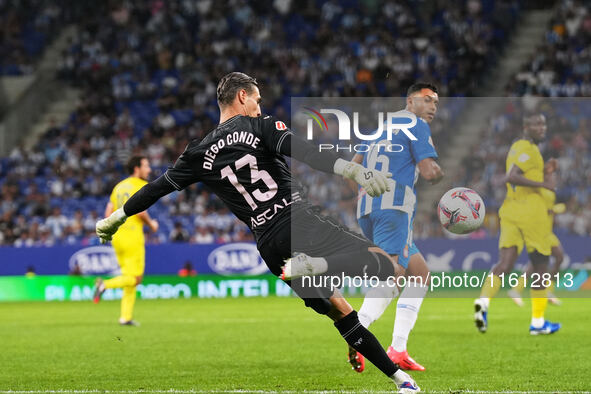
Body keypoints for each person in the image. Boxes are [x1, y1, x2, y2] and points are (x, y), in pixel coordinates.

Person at [96, 72, 420, 392]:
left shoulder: (197, 153)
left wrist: (116, 218)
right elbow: (306, 151)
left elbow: (155, 189)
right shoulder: (261, 126)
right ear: (242, 97)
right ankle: (318, 266)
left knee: (339, 310)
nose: (259, 107)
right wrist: (354, 169)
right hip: (298, 220)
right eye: (257, 99)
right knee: (387, 264)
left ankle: (401, 381)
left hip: (269, 244)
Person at [346, 83, 444, 373]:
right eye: (426, 100)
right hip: (395, 209)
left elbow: (351, 170)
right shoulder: (417, 126)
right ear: (410, 101)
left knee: (420, 274)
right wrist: (439, 175)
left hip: (368, 210)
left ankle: (398, 349)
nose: (432, 107)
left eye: (436, 103)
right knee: (394, 274)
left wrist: (365, 195)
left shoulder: (380, 127)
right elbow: (428, 172)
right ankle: (357, 332)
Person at [474, 113, 561, 335]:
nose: (542, 127)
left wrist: (546, 172)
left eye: (543, 123)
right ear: (526, 126)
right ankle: (538, 323)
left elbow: (516, 174)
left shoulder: (517, 148)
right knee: (541, 264)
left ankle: (482, 303)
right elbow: (511, 177)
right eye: (536, 123)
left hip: (510, 209)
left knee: (505, 263)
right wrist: (542, 181)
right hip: (530, 212)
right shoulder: (528, 148)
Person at [93, 156, 159, 326]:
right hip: (132, 235)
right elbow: (140, 212)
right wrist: (152, 226)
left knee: (128, 276)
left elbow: (109, 213)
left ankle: (125, 317)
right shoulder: (141, 186)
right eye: (146, 165)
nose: (149, 169)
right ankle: (104, 285)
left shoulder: (119, 187)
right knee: (136, 278)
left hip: (118, 237)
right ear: (136, 168)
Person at [507, 185, 565, 306]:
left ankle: (543, 290)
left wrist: (553, 210)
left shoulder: (549, 191)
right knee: (539, 261)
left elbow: (554, 209)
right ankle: (518, 289)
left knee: (557, 258)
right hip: (537, 231)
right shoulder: (536, 189)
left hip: (547, 232)